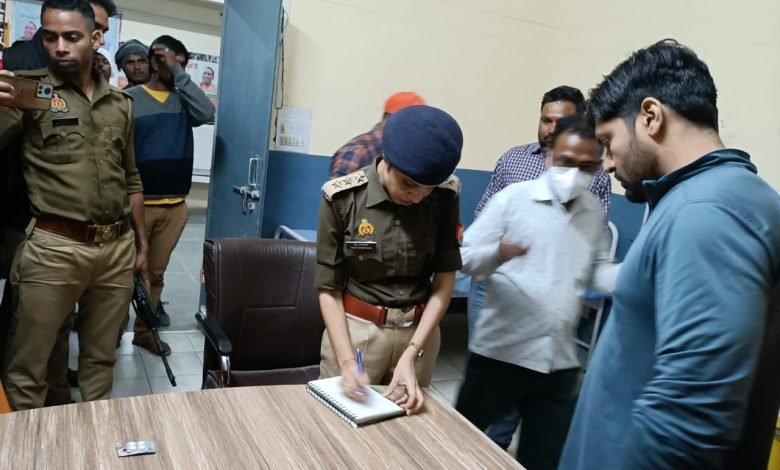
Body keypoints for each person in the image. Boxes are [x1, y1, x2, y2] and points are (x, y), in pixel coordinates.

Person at [560, 39, 780, 469]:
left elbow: (688, 420)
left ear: (651, 116)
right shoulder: (711, 198)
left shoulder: (708, 212)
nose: (607, 163)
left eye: (608, 141)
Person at [0, 0, 147, 410]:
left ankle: (93, 438)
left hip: (115, 249)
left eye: (71, 37)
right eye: (50, 37)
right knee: (30, 368)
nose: (60, 46)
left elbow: (131, 177)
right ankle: (27, 444)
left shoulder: (120, 103)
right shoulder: (27, 92)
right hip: (55, 247)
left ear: (96, 38)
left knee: (100, 362)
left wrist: (141, 244)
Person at [455, 116, 617, 469]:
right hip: (501, 353)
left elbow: (596, 270)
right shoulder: (513, 200)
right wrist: (499, 253)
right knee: (461, 446)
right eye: (566, 162)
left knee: (544, 458)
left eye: (586, 166)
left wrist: (633, 275)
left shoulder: (591, 212)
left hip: (558, 362)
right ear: (548, 156)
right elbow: (464, 258)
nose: (574, 174)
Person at [316, 105, 462, 414]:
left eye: (428, 188)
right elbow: (328, 288)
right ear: (387, 159)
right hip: (356, 332)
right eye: (409, 184)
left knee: (407, 426)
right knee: (339, 424)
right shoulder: (343, 198)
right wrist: (346, 362)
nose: (418, 196)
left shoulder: (444, 197)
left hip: (419, 334)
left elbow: (444, 281)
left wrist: (412, 353)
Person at [123, 35, 215, 354]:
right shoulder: (129, 99)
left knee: (156, 274)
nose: (178, 69)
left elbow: (206, 113)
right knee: (123, 275)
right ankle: (108, 336)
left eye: (182, 65)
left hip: (174, 207)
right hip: (137, 205)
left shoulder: (183, 100)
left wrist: (178, 72)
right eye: (172, 63)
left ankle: (144, 332)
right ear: (154, 61)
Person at [329, 91, 425, 179]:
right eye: (410, 123)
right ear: (387, 118)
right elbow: (339, 192)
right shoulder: (356, 153)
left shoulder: (400, 152)